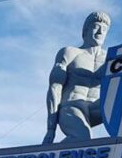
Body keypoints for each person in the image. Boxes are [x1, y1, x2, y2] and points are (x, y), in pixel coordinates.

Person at [43, 11, 111, 144]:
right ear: (86, 30)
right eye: (96, 27)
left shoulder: (110, 59)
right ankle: (50, 157)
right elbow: (55, 88)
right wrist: (51, 128)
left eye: (104, 29)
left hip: (96, 108)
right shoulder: (70, 52)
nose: (100, 32)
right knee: (82, 138)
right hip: (71, 106)